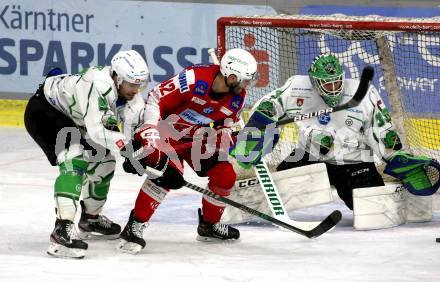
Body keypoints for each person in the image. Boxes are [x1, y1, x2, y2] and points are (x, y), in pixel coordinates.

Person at [118, 48, 258, 254]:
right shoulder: (194, 79)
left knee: (225, 175)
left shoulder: (238, 98)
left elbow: (225, 124)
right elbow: (156, 98)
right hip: (163, 130)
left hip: (196, 136)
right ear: (231, 75)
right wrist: (149, 130)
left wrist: (226, 133)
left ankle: (209, 226)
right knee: (167, 175)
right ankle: (134, 226)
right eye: (245, 80)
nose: (247, 86)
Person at [232, 53, 406, 210]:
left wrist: (396, 158)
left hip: (354, 162)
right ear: (315, 81)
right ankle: (245, 201)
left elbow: (382, 130)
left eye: (336, 82)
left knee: (372, 209)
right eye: (327, 84)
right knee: (280, 192)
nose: (333, 88)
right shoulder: (298, 87)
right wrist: (259, 125)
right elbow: (269, 104)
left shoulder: (364, 93)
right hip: (308, 157)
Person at [24, 50, 150, 259]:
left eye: (140, 84)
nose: (136, 90)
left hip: (76, 119)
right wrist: (127, 148)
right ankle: (61, 230)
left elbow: (130, 134)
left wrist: (137, 155)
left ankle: (90, 218)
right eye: (131, 84)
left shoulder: (133, 99)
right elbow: (97, 131)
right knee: (74, 157)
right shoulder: (96, 84)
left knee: (106, 162)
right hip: (46, 111)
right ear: (117, 77)